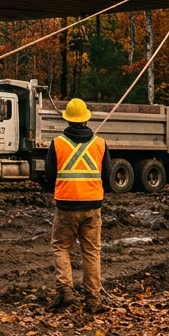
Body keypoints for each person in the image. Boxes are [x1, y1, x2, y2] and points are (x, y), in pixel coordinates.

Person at [44, 98, 112, 314]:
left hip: (65, 207)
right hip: (92, 206)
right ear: (85, 120)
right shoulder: (100, 144)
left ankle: (65, 291)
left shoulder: (57, 143)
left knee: (61, 247)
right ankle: (93, 301)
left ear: (68, 120)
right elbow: (108, 176)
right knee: (91, 252)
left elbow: (49, 175)